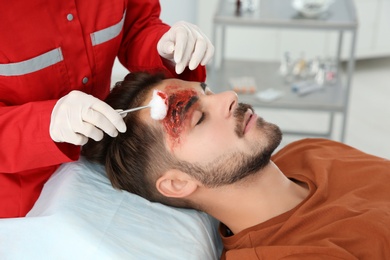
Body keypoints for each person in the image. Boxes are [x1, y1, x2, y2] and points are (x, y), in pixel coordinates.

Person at [82, 72, 390, 260]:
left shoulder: (310, 151)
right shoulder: (289, 255)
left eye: (208, 91)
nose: (229, 97)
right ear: (177, 183)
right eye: (198, 118)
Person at [0, 1, 214, 218]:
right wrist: (44, 125)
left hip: (99, 160)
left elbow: (137, 27)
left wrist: (163, 48)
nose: (231, 99)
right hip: (18, 195)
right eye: (199, 118)